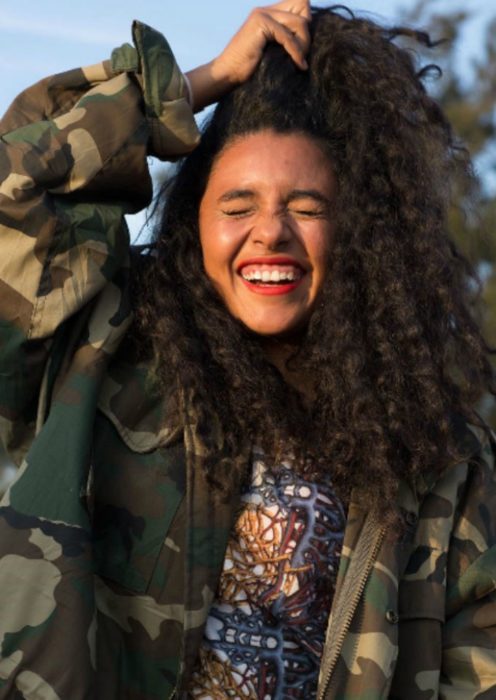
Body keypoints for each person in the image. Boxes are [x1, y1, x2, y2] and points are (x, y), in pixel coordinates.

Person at [0, 1, 495, 698]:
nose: (270, 232)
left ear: (360, 232)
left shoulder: (434, 434)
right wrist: (195, 85)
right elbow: (14, 186)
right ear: (191, 221)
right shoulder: (104, 343)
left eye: (308, 207)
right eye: (237, 206)